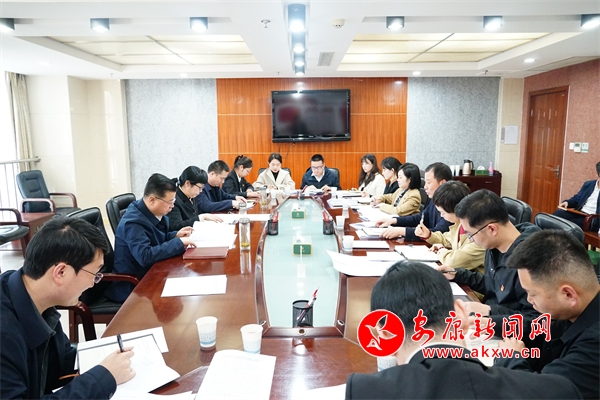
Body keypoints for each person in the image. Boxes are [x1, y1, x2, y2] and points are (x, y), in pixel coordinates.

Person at [344, 261, 581, 399]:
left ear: (385, 336)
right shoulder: (556, 390)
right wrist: (512, 361)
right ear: (459, 313)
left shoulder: (364, 392)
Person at [0, 217, 135, 399]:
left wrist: (107, 361)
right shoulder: (5, 331)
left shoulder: (34, 296)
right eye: (94, 274)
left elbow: (62, 361)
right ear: (61, 272)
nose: (93, 283)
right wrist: (103, 378)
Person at [496, 230, 599, 399]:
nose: (529, 300)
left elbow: (537, 393)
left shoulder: (594, 346)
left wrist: (511, 357)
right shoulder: (573, 308)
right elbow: (538, 329)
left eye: (532, 294)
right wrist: (488, 323)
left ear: (568, 294)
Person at [438, 189, 540, 331]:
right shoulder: (494, 246)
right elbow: (492, 285)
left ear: (491, 229)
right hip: (489, 320)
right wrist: (457, 274)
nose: (470, 240)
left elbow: (536, 321)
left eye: (470, 234)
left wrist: (489, 312)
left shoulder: (531, 260)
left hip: (510, 334)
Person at [105, 173, 196, 302]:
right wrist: (178, 243)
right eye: (170, 202)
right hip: (133, 284)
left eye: (173, 201)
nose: (172, 206)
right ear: (152, 200)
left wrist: (175, 235)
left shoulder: (149, 211)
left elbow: (154, 239)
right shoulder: (133, 223)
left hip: (150, 273)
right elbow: (145, 256)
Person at [418, 180, 485, 273]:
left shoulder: (479, 234)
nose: (441, 216)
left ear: (457, 210)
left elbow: (453, 262)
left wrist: (441, 249)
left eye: (443, 212)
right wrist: (429, 235)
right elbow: (446, 239)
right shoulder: (459, 225)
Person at [376, 162, 452, 241]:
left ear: (442, 183)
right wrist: (393, 220)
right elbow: (420, 218)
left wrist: (402, 231)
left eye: (428, 182)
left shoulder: (450, 203)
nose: (425, 187)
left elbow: (438, 233)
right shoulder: (435, 199)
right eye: (425, 182)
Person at [166, 166, 223, 231]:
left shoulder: (193, 195)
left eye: (202, 188)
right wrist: (201, 217)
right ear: (187, 183)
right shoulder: (174, 199)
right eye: (199, 188)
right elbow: (176, 226)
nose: (201, 191)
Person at [552, 161, 600, 231]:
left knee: (569, 225)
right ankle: (547, 236)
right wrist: (567, 203)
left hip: (592, 219)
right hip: (580, 213)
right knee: (557, 214)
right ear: (597, 174)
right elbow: (577, 199)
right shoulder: (589, 184)